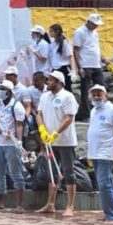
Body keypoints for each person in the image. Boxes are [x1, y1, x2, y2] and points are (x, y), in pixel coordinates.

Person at [36, 71, 80, 217]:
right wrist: (42, 129)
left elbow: (68, 118)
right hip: (49, 142)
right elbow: (39, 114)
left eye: (50, 80)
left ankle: (70, 206)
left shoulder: (68, 96)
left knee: (68, 172)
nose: (47, 82)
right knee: (52, 172)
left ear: (59, 82)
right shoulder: (45, 96)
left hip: (66, 141)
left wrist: (56, 133)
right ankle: (50, 204)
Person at [87, 84, 113, 223]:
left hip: (106, 153)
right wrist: (90, 154)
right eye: (94, 94)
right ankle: (109, 213)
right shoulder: (93, 111)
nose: (96, 97)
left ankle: (112, 215)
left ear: (105, 95)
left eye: (99, 94)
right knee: (104, 184)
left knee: (105, 184)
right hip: (95, 153)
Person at [0, 80, 26, 213]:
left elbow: (19, 125)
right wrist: (1, 133)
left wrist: (19, 141)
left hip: (12, 144)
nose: (0, 92)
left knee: (15, 172)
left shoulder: (17, 106)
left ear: (10, 92)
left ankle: (20, 204)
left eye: (3, 89)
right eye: (0, 89)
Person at [74, 13, 113, 121]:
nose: (96, 26)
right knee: (86, 90)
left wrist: (104, 60)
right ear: (88, 21)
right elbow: (76, 50)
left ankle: (104, 112)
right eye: (94, 24)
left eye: (97, 24)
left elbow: (96, 48)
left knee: (102, 88)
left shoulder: (95, 33)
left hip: (96, 65)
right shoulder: (79, 32)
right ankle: (87, 115)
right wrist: (79, 67)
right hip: (85, 65)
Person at [49, 24, 78, 91]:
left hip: (63, 68)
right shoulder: (53, 43)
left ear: (57, 32)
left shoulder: (64, 42)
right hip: (55, 68)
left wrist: (73, 70)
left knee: (66, 88)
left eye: (51, 31)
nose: (50, 33)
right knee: (55, 88)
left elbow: (70, 56)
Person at [26, 72, 47, 142]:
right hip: (35, 113)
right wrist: (36, 115)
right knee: (29, 120)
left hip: (47, 112)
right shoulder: (29, 90)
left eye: (36, 81)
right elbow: (30, 106)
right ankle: (40, 144)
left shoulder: (49, 90)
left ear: (43, 80)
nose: (34, 83)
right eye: (33, 81)